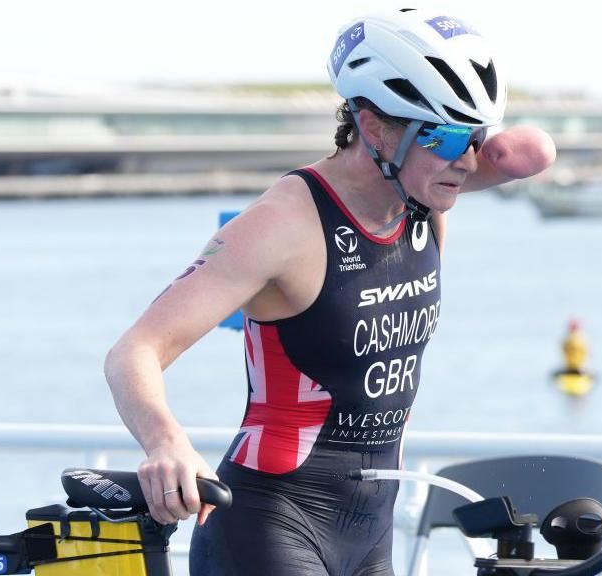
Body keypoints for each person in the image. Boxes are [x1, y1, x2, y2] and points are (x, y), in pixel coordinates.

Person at [103, 8, 556, 576]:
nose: (466, 160)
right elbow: (134, 352)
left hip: (370, 533)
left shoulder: (426, 189)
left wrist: (463, 133)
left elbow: (534, 152)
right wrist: (167, 442)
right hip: (268, 524)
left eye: (475, 137)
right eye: (443, 135)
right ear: (373, 127)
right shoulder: (282, 225)